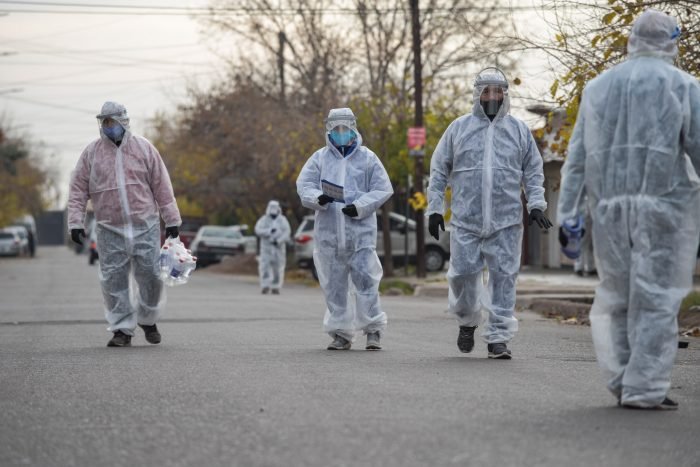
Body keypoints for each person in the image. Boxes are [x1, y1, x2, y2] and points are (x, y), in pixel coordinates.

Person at [558, 9, 700, 410]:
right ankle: (645, 386)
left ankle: (623, 380)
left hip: (609, 213)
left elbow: (577, 158)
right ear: (672, 40)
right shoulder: (684, 86)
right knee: (656, 298)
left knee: (618, 297)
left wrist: (569, 212)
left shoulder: (598, 88)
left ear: (632, 39)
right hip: (665, 210)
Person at [427, 67, 552, 359]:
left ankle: (498, 338)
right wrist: (435, 209)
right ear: (477, 94)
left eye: (498, 91)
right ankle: (467, 321)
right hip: (466, 219)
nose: (492, 96)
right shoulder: (459, 128)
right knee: (462, 275)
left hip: (506, 220)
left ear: (505, 94)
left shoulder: (518, 130)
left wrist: (536, 204)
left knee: (504, 278)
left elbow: (533, 171)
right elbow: (439, 170)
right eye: (487, 91)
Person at [67, 101, 181, 348]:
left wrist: (171, 219)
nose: (109, 126)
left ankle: (148, 319)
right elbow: (78, 190)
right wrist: (75, 222)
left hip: (145, 225)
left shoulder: (144, 148)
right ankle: (121, 329)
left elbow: (162, 185)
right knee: (113, 280)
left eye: (113, 121)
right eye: (105, 122)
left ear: (124, 121)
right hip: (109, 228)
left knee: (152, 275)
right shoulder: (92, 153)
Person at [296, 107, 393, 351]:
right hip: (329, 234)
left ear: (353, 128)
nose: (341, 132)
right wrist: (318, 198)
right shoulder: (319, 158)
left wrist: (359, 206)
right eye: (336, 128)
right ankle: (341, 333)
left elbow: (383, 188)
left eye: (345, 128)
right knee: (334, 286)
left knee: (367, 282)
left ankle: (373, 330)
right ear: (328, 130)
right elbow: (304, 184)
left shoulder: (368, 158)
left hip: (360, 233)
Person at [254, 200, 291, 295]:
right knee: (264, 267)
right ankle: (265, 286)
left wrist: (278, 241)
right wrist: (269, 231)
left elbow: (287, 233)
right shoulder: (263, 219)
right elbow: (257, 230)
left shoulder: (283, 220)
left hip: (278, 248)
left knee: (277, 268)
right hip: (266, 248)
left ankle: (275, 287)